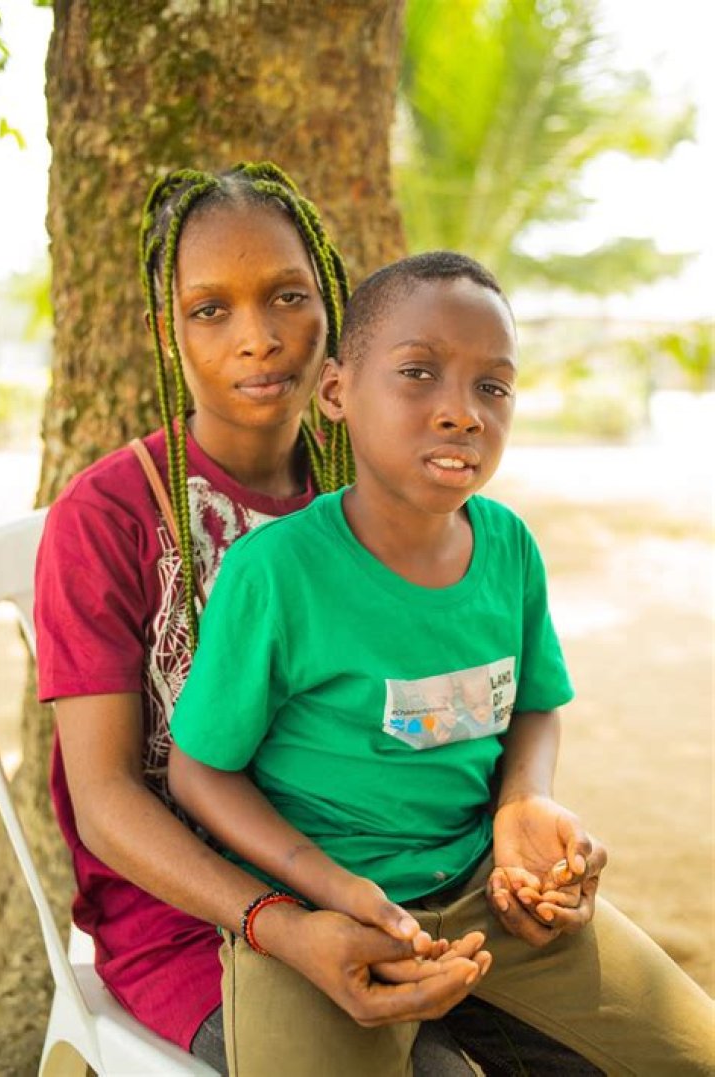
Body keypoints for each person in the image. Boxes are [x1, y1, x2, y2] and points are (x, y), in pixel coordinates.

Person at [34, 165, 590, 1077]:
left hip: (394, 873)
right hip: (190, 911)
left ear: (330, 311)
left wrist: (515, 820)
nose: (256, 338)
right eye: (210, 309)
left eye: (287, 296)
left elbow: (475, 698)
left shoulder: (377, 485)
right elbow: (104, 801)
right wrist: (279, 923)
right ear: (165, 331)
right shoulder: (109, 519)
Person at [169, 251, 715, 1077]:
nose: (461, 413)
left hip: (487, 891)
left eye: (492, 387)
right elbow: (200, 772)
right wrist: (322, 888)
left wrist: (525, 802)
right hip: (319, 915)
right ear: (337, 393)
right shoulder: (277, 575)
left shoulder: (508, 549)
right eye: (419, 373)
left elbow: (534, 702)